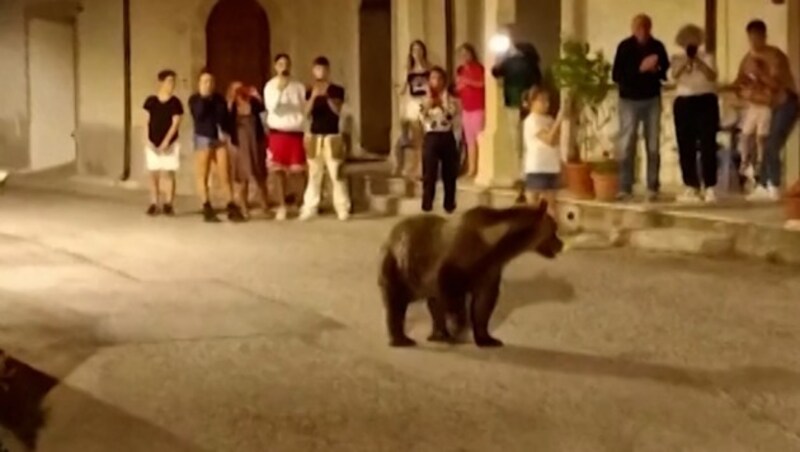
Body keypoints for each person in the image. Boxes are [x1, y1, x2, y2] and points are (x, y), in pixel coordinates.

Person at [738, 20, 799, 202]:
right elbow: (740, 80)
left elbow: (776, 84)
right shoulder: (747, 58)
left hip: (786, 102)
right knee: (762, 142)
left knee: (772, 143)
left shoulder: (775, 56)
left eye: (757, 37)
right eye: (751, 38)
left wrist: (760, 74)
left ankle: (774, 184)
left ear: (764, 36)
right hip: (766, 105)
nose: (754, 42)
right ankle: (764, 184)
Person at [612, 14, 670, 202]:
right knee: (627, 144)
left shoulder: (657, 46)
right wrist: (639, 69)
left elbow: (665, 72)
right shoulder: (625, 47)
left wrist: (656, 70)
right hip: (629, 100)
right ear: (633, 28)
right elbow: (616, 75)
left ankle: (653, 186)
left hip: (651, 99)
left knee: (653, 144)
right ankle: (625, 187)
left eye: (645, 27)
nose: (642, 31)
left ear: (650, 28)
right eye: (638, 27)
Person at [670, 24, 720, 204]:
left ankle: (710, 186)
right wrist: (686, 61)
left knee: (708, 143)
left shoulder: (708, 57)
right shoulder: (676, 58)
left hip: (706, 100)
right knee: (685, 144)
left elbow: (712, 76)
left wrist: (698, 61)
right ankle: (691, 185)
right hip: (684, 101)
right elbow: (674, 75)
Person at [300, 56, 351, 221]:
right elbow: (306, 113)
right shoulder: (309, 90)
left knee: (336, 174)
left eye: (323, 69)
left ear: (328, 71)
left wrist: (327, 96)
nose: (320, 72)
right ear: (313, 71)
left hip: (333, 136)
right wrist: (314, 96)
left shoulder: (337, 90)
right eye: (317, 69)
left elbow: (337, 111)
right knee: (314, 174)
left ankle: (342, 208)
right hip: (315, 136)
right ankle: (310, 207)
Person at [491, 26, 543, 174]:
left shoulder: (522, 61)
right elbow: (496, 72)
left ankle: (523, 171)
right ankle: (524, 170)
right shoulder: (522, 61)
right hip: (521, 104)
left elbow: (495, 71)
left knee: (520, 139)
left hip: (522, 104)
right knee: (522, 139)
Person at [263, 53, 307, 221]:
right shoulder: (270, 86)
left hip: (295, 131)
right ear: (275, 67)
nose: (284, 67)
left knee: (298, 172)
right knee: (278, 170)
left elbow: (303, 109)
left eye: (286, 64)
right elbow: (272, 107)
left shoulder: (299, 86)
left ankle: (299, 202)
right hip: (278, 132)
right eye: (280, 64)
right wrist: (281, 90)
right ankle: (282, 206)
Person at [142, 69, 183, 216]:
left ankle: (168, 203)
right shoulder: (151, 101)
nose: (172, 84)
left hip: (170, 144)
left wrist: (166, 141)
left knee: (169, 173)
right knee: (153, 173)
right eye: (169, 81)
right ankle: (154, 203)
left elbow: (176, 123)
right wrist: (147, 140)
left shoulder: (175, 102)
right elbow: (145, 121)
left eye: (173, 81)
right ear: (161, 82)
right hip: (152, 142)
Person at [419, 67, 460, 214]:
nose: (435, 81)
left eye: (439, 78)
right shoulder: (425, 99)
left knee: (449, 173)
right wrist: (428, 105)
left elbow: (451, 115)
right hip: (431, 136)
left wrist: (442, 103)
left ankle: (449, 205)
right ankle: (427, 205)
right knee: (429, 173)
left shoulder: (450, 98)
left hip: (446, 135)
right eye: (432, 78)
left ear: (444, 81)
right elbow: (422, 118)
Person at [226, 81, 268, 219]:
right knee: (242, 176)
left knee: (259, 173)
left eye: (241, 88)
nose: (239, 91)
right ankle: (244, 207)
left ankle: (265, 206)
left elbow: (262, 111)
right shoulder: (232, 106)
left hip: (255, 143)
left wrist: (256, 95)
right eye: (235, 89)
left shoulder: (253, 103)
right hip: (240, 144)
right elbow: (226, 123)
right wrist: (230, 101)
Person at [522, 87, 566, 216]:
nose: (546, 104)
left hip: (551, 167)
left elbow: (556, 141)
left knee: (551, 206)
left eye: (547, 100)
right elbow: (549, 140)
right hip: (537, 168)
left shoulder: (549, 120)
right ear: (532, 102)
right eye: (541, 100)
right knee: (534, 207)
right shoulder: (531, 120)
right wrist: (559, 119)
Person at [396, 40, 431, 180]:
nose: (417, 53)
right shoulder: (408, 69)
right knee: (416, 137)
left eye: (419, 49)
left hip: (426, 102)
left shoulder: (429, 67)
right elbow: (403, 90)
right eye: (414, 50)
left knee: (427, 136)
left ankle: (425, 166)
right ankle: (417, 166)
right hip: (413, 102)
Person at [455, 43, 486, 179]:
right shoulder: (460, 70)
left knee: (480, 138)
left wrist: (468, 82)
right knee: (469, 140)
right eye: (461, 54)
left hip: (478, 108)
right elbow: (458, 88)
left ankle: (482, 168)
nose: (464, 56)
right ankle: (471, 168)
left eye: (466, 53)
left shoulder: (478, 68)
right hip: (466, 109)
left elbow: (482, 84)